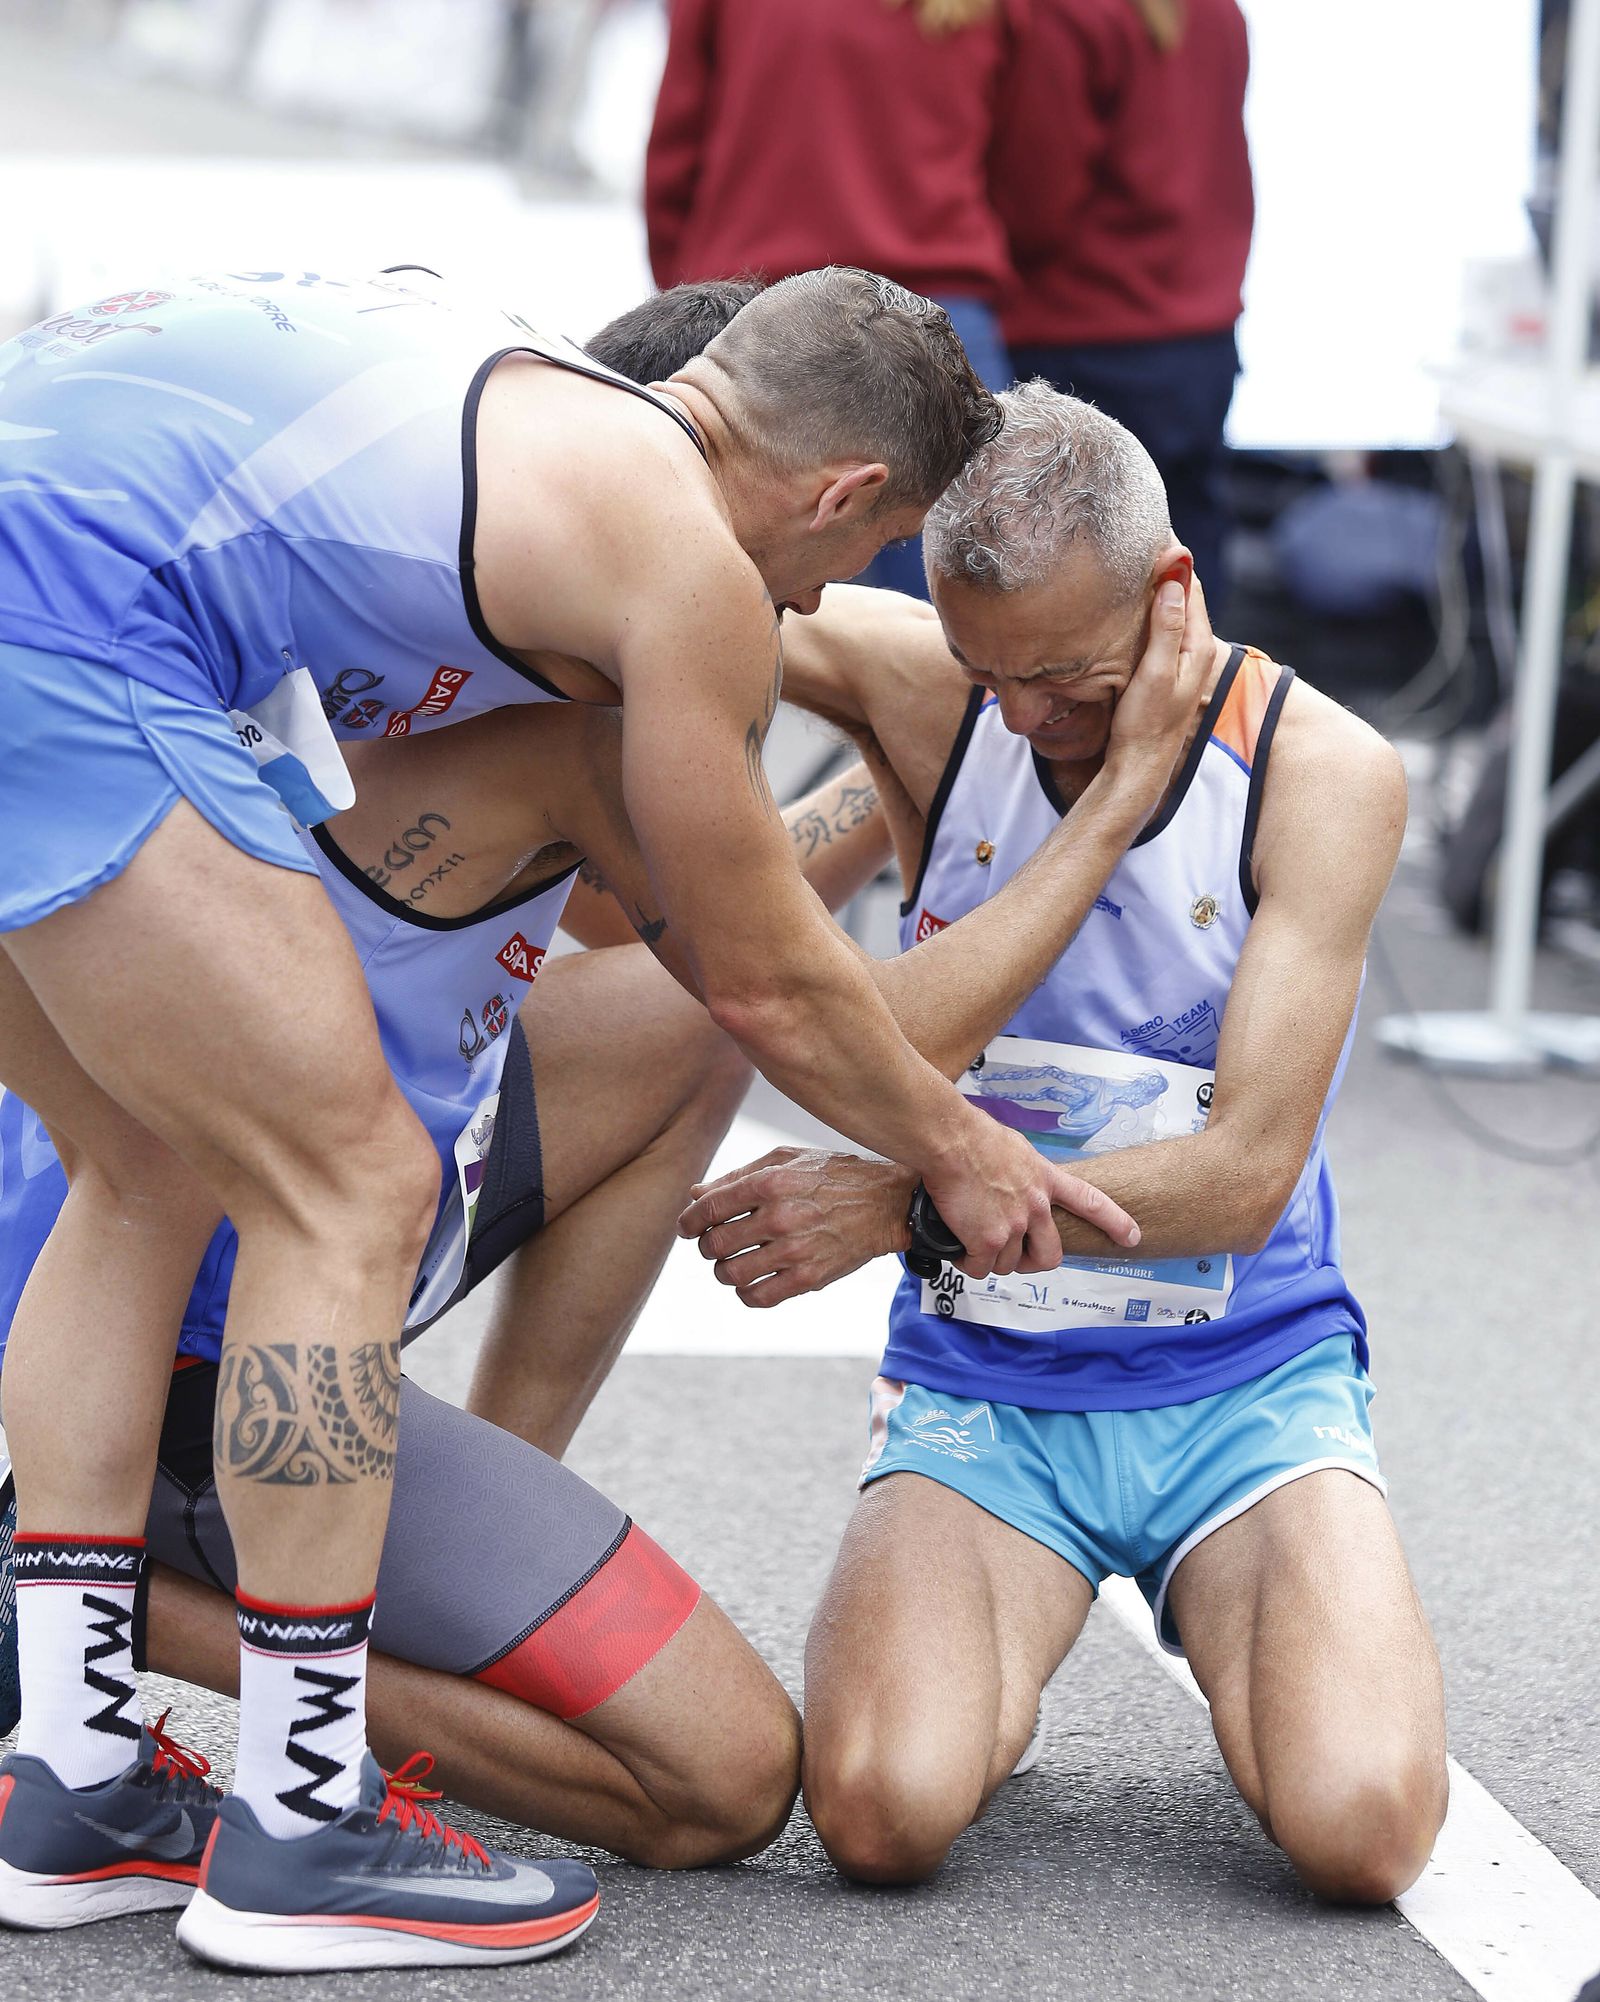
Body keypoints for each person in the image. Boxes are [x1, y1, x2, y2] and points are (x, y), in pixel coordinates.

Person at [0, 263, 1118, 1970]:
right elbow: (764, 974)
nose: (815, 600)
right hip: (65, 619)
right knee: (347, 1183)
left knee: (143, 1156)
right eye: (852, 560)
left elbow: (665, 939)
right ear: (842, 493)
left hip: (52, 542)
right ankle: (300, 1821)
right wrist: (965, 1151)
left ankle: (72, 1767)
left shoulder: (513, 401)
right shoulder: (680, 558)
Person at [680, 383, 1450, 1903]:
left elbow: (1242, 1179)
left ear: (1174, 596)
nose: (1025, 717)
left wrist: (905, 1208)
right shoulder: (932, 696)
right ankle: (983, 1644)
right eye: (988, 669)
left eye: (1070, 679)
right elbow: (655, 575)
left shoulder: (1322, 771)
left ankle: (1233, 1608)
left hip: (1244, 1384)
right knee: (883, 1813)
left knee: (1362, 1830)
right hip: (993, 1386)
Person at [645, 0, 1023, 596]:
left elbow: (675, 148)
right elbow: (1032, 164)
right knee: (960, 609)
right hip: (939, 306)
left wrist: (695, 295)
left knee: (697, 588)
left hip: (757, 305)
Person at [991, 0, 1253, 611]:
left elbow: (1034, 204)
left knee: (1076, 600)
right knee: (1190, 580)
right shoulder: (1218, 12)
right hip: (1198, 342)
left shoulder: (1071, 16)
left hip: (1087, 337)